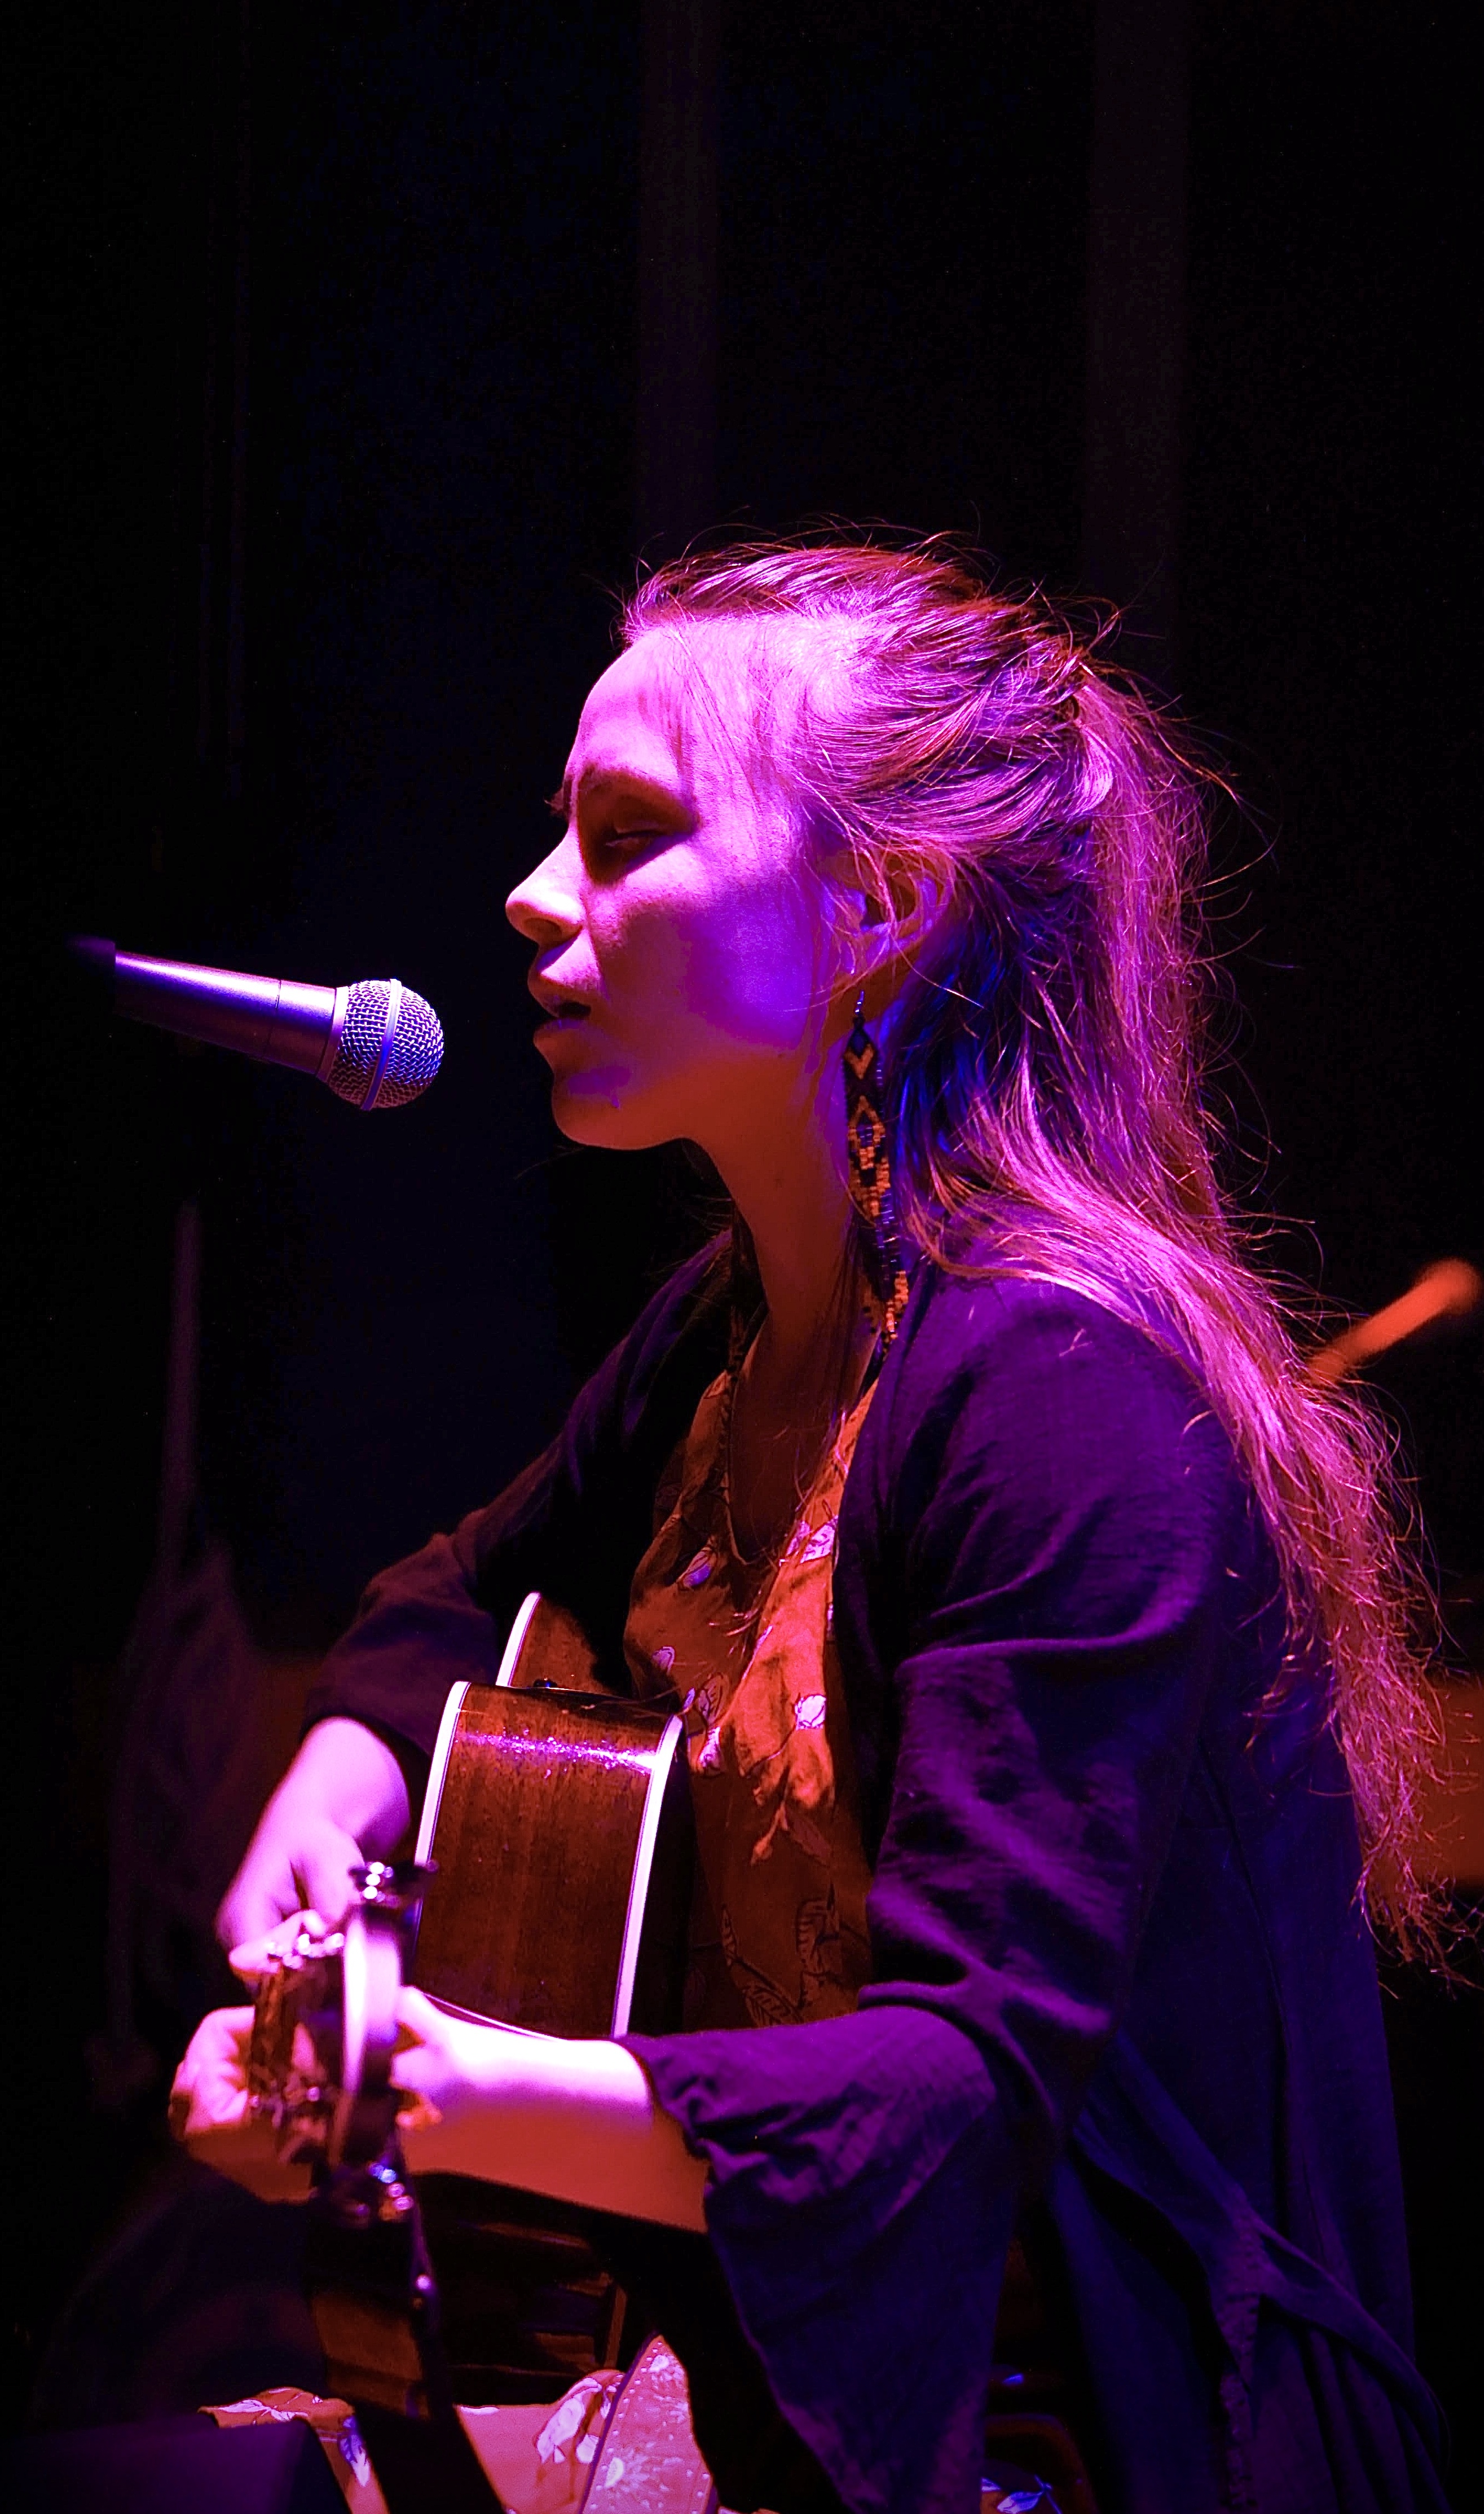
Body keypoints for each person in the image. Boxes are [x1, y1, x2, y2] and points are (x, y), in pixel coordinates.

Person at [171, 542, 1450, 2513]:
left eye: (628, 836)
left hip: (1086, 2433)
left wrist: (427, 2086)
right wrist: (332, 1785)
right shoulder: (737, 1317)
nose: (529, 897)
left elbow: (960, 2082)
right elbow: (471, 1583)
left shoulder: (1060, 1393)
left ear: (874, 903)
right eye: (553, 830)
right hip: (790, 2388)